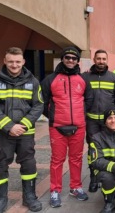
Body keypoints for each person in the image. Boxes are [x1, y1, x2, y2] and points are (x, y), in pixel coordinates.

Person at [0, 47, 43, 212]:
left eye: (17, 61)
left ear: (23, 61)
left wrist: (22, 125)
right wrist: (9, 126)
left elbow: (38, 106)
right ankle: (0, 201)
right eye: (10, 61)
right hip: (2, 132)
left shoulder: (33, 82)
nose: (14, 65)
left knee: (29, 165)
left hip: (25, 132)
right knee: (0, 165)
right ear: (4, 61)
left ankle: (29, 197)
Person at [41, 46, 89, 207]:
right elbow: (43, 103)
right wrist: (54, 117)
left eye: (74, 58)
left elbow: (88, 101)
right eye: (67, 57)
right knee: (57, 160)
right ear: (62, 59)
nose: (70, 60)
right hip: (57, 128)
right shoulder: (50, 79)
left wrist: (80, 118)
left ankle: (75, 187)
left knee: (76, 159)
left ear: (77, 61)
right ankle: (55, 190)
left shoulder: (83, 80)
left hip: (79, 127)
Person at [82, 49, 115, 193]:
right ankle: (94, 178)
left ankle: (109, 175)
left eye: (103, 59)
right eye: (98, 58)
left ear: (107, 60)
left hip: (109, 122)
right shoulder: (85, 77)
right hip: (92, 122)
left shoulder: (113, 78)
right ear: (94, 59)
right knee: (93, 150)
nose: (101, 61)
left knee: (109, 148)